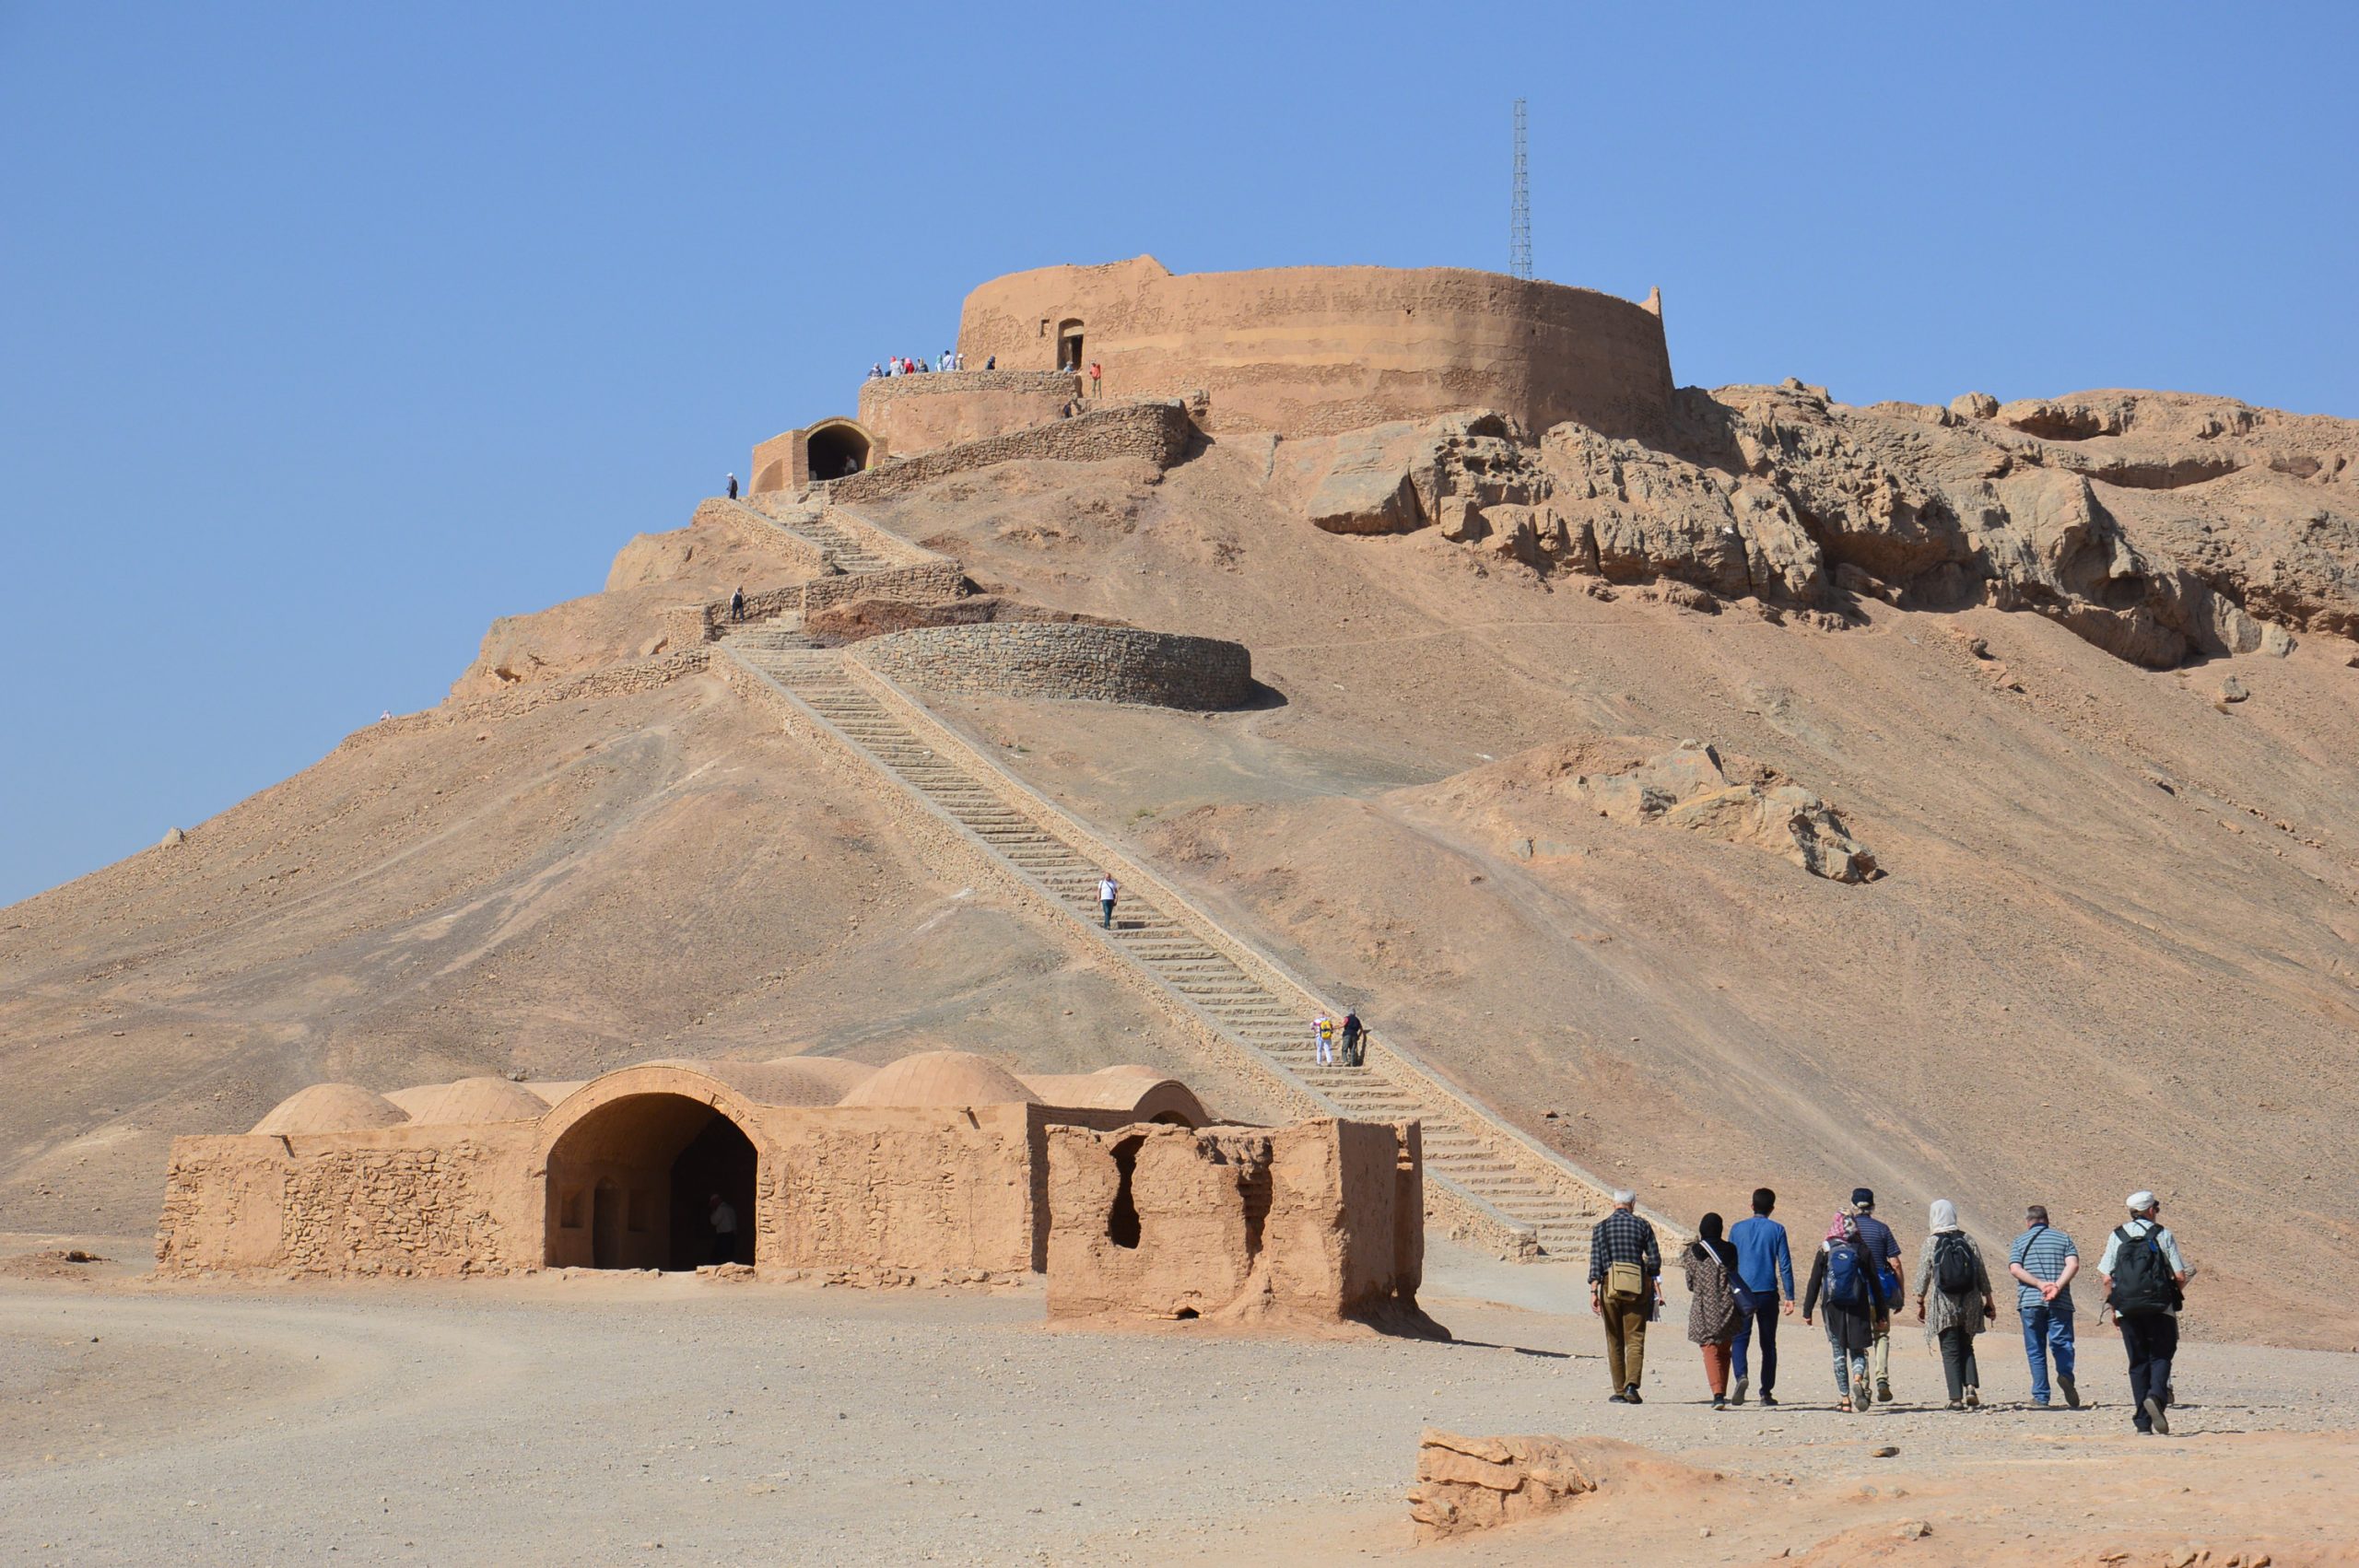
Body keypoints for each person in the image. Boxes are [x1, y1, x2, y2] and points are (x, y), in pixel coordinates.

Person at [2099, 1191, 2192, 1435]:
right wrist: (2170, 1294)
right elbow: (2180, 1275)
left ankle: (2143, 1424)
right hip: (2161, 1308)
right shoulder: (2163, 1234)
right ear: (2151, 1210)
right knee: (2161, 1355)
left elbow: (2107, 1277)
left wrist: (2114, 1307)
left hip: (2127, 1308)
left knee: (2138, 1361)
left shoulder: (2117, 1235)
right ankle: (2156, 1397)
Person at [1913, 1199, 1997, 1410]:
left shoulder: (1931, 1242)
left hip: (1943, 1304)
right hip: (1970, 1302)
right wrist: (1989, 1301)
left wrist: (1920, 1301)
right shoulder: (1968, 1239)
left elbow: (1923, 1274)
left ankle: (1955, 1398)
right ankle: (1970, 1386)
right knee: (1966, 1345)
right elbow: (1981, 1273)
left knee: (1950, 1349)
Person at [1802, 1213, 1888, 1412]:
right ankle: (1858, 1379)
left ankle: (1845, 1400)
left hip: (1833, 1307)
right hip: (1858, 1305)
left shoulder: (1825, 1248)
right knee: (1858, 1350)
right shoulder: (1861, 1249)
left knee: (1838, 1352)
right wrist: (1881, 1313)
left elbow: (1814, 1281)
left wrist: (1807, 1310)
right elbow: (1875, 1282)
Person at [1587, 1190, 1662, 1404]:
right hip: (1637, 1286)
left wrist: (1594, 1290)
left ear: (1614, 1204)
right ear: (1633, 1204)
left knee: (1614, 1338)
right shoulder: (1643, 1226)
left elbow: (1596, 1263)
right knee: (1635, 1336)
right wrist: (1645, 1272)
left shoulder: (1601, 1227)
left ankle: (1619, 1391)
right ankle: (1632, 1385)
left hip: (1609, 1284)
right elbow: (1655, 1260)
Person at [1729, 1187, 1798, 1407]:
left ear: (1752, 1206)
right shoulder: (1777, 1229)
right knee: (1768, 1343)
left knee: (1740, 1339)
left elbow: (1729, 1263)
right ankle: (1766, 1393)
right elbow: (1785, 1264)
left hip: (1742, 1292)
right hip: (1767, 1291)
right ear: (1772, 1209)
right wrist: (1790, 1295)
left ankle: (1741, 1376)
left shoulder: (1737, 1229)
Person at [2008, 1203, 2081, 1409]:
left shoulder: (2020, 1241)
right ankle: (2066, 1375)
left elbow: (2015, 1269)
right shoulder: (2063, 1238)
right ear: (2047, 1220)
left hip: (2030, 1301)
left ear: (2028, 1222)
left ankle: (2041, 1396)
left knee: (2036, 1349)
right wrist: (2056, 1285)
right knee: (2062, 1343)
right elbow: (2073, 1264)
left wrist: (2040, 1284)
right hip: (2061, 1301)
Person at [1850, 1188, 1905, 1402]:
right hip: (1880, 1292)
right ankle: (1882, 1378)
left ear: (1853, 1204)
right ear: (1873, 1206)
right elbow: (1896, 1263)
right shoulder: (1882, 1229)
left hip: (1855, 1293)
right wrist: (1900, 1292)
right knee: (1881, 1335)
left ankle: (1862, 1384)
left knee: (1859, 1338)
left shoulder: (1849, 1231)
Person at [1684, 1214, 1743, 1410]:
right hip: (1727, 1306)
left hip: (1703, 1306)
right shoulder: (1731, 1250)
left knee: (1709, 1348)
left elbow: (1690, 1283)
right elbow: (1735, 1273)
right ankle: (1722, 1392)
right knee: (1725, 1349)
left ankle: (1717, 1393)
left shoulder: (1693, 1252)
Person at [708, 1192, 737, 1265]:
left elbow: (714, 1221)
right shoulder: (730, 1208)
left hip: (724, 1236)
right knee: (728, 1256)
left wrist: (713, 1211)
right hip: (732, 1235)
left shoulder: (721, 1209)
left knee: (715, 1257)